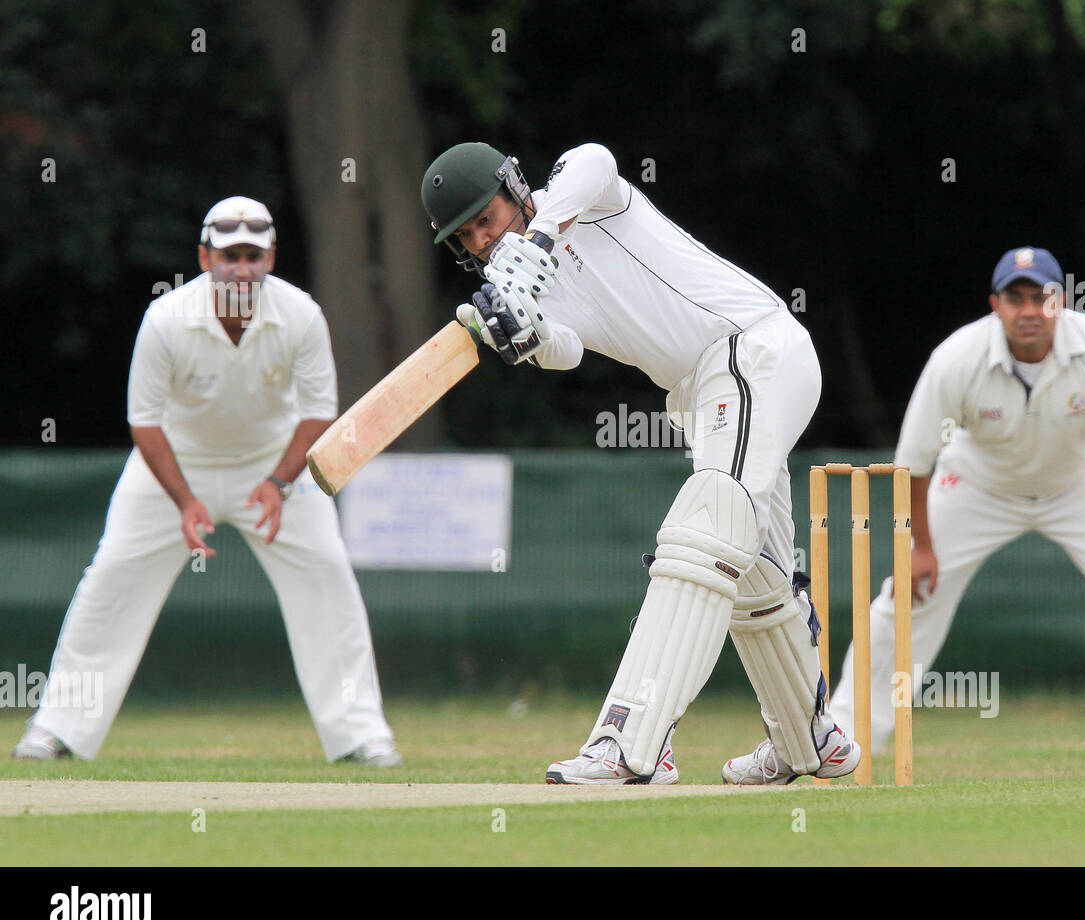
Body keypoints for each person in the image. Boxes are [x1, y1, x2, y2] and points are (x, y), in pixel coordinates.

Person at [421, 142, 858, 784]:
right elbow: (567, 349)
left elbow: (596, 159)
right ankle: (811, 741)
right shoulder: (521, 282)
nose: (485, 241)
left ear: (514, 187)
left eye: (487, 219)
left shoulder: (584, 202)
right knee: (754, 572)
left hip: (747, 353)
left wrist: (535, 243)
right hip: (709, 391)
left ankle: (631, 742)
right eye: (468, 238)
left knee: (701, 538)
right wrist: (525, 333)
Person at [13, 197, 402, 766]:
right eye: (229, 256)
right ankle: (58, 729)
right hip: (175, 463)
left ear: (270, 257)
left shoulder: (301, 315)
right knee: (114, 576)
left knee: (326, 575)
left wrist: (278, 482)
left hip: (276, 464)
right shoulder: (167, 319)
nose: (241, 269)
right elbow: (144, 421)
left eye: (252, 255)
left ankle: (362, 735)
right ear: (204, 257)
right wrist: (185, 501)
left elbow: (319, 414)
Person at [827, 246, 1085, 763]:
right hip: (976, 486)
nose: (1029, 310)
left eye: (1042, 297)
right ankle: (845, 734)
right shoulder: (956, 358)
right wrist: (920, 547)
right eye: (1016, 298)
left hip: (1081, 483)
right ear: (996, 304)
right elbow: (915, 462)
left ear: (1060, 302)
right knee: (908, 596)